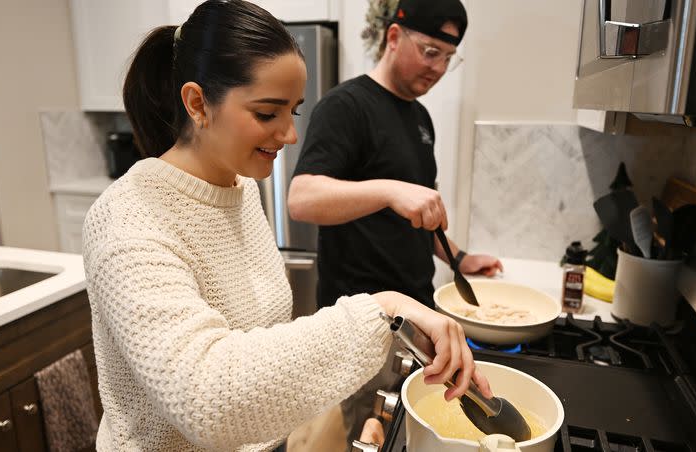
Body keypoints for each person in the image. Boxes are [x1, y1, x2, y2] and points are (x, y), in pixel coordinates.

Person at [80, 1, 492, 451]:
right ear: (198, 103)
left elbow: (256, 342)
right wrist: (382, 309)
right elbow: (207, 398)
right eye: (266, 113)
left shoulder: (239, 190)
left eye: (292, 112)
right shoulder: (128, 218)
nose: (290, 135)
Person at [287, 0, 504, 444]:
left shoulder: (419, 118)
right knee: (368, 435)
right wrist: (388, 188)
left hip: (418, 315)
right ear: (393, 37)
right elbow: (301, 199)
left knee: (408, 434)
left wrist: (459, 257)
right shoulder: (345, 106)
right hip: (364, 323)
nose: (439, 67)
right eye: (429, 51)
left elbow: (418, 215)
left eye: (449, 57)